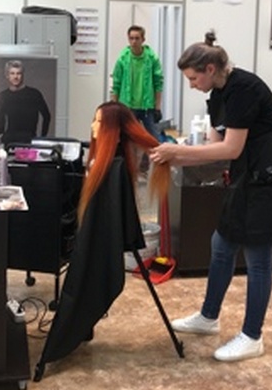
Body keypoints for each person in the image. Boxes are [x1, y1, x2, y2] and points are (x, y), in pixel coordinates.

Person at [150, 31, 272, 362]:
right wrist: (173, 157)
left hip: (267, 181)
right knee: (221, 245)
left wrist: (177, 152)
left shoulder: (244, 89)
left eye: (193, 78)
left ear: (211, 69)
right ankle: (209, 316)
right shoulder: (217, 94)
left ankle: (252, 336)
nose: (191, 85)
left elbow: (231, 148)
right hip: (244, 179)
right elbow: (213, 149)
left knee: (258, 259)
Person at [35, 102, 170, 375]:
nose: (93, 126)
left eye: (99, 122)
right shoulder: (103, 162)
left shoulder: (112, 168)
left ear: (114, 132)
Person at [111, 25, 164, 141]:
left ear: (143, 39)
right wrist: (114, 107)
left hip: (147, 107)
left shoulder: (152, 59)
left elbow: (158, 83)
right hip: (127, 107)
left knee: (154, 139)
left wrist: (157, 107)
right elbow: (116, 83)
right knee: (125, 139)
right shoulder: (122, 59)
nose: (134, 41)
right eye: (131, 38)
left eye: (137, 38)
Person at [0, 60, 51, 146]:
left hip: (29, 139)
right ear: (7, 76)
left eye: (18, 73)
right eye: (12, 73)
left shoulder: (34, 94)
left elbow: (46, 115)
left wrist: (42, 138)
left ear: (22, 75)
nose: (15, 77)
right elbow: (1, 117)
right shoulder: (2, 96)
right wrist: (1, 134)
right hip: (9, 141)